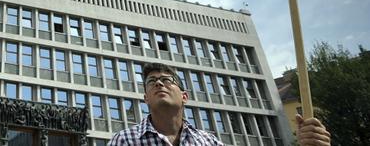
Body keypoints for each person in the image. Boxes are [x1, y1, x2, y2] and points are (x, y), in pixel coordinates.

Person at [109, 62, 331, 146]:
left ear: (184, 96)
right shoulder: (124, 141)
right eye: (151, 82)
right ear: (145, 98)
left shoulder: (208, 142)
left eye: (167, 80)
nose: (159, 83)